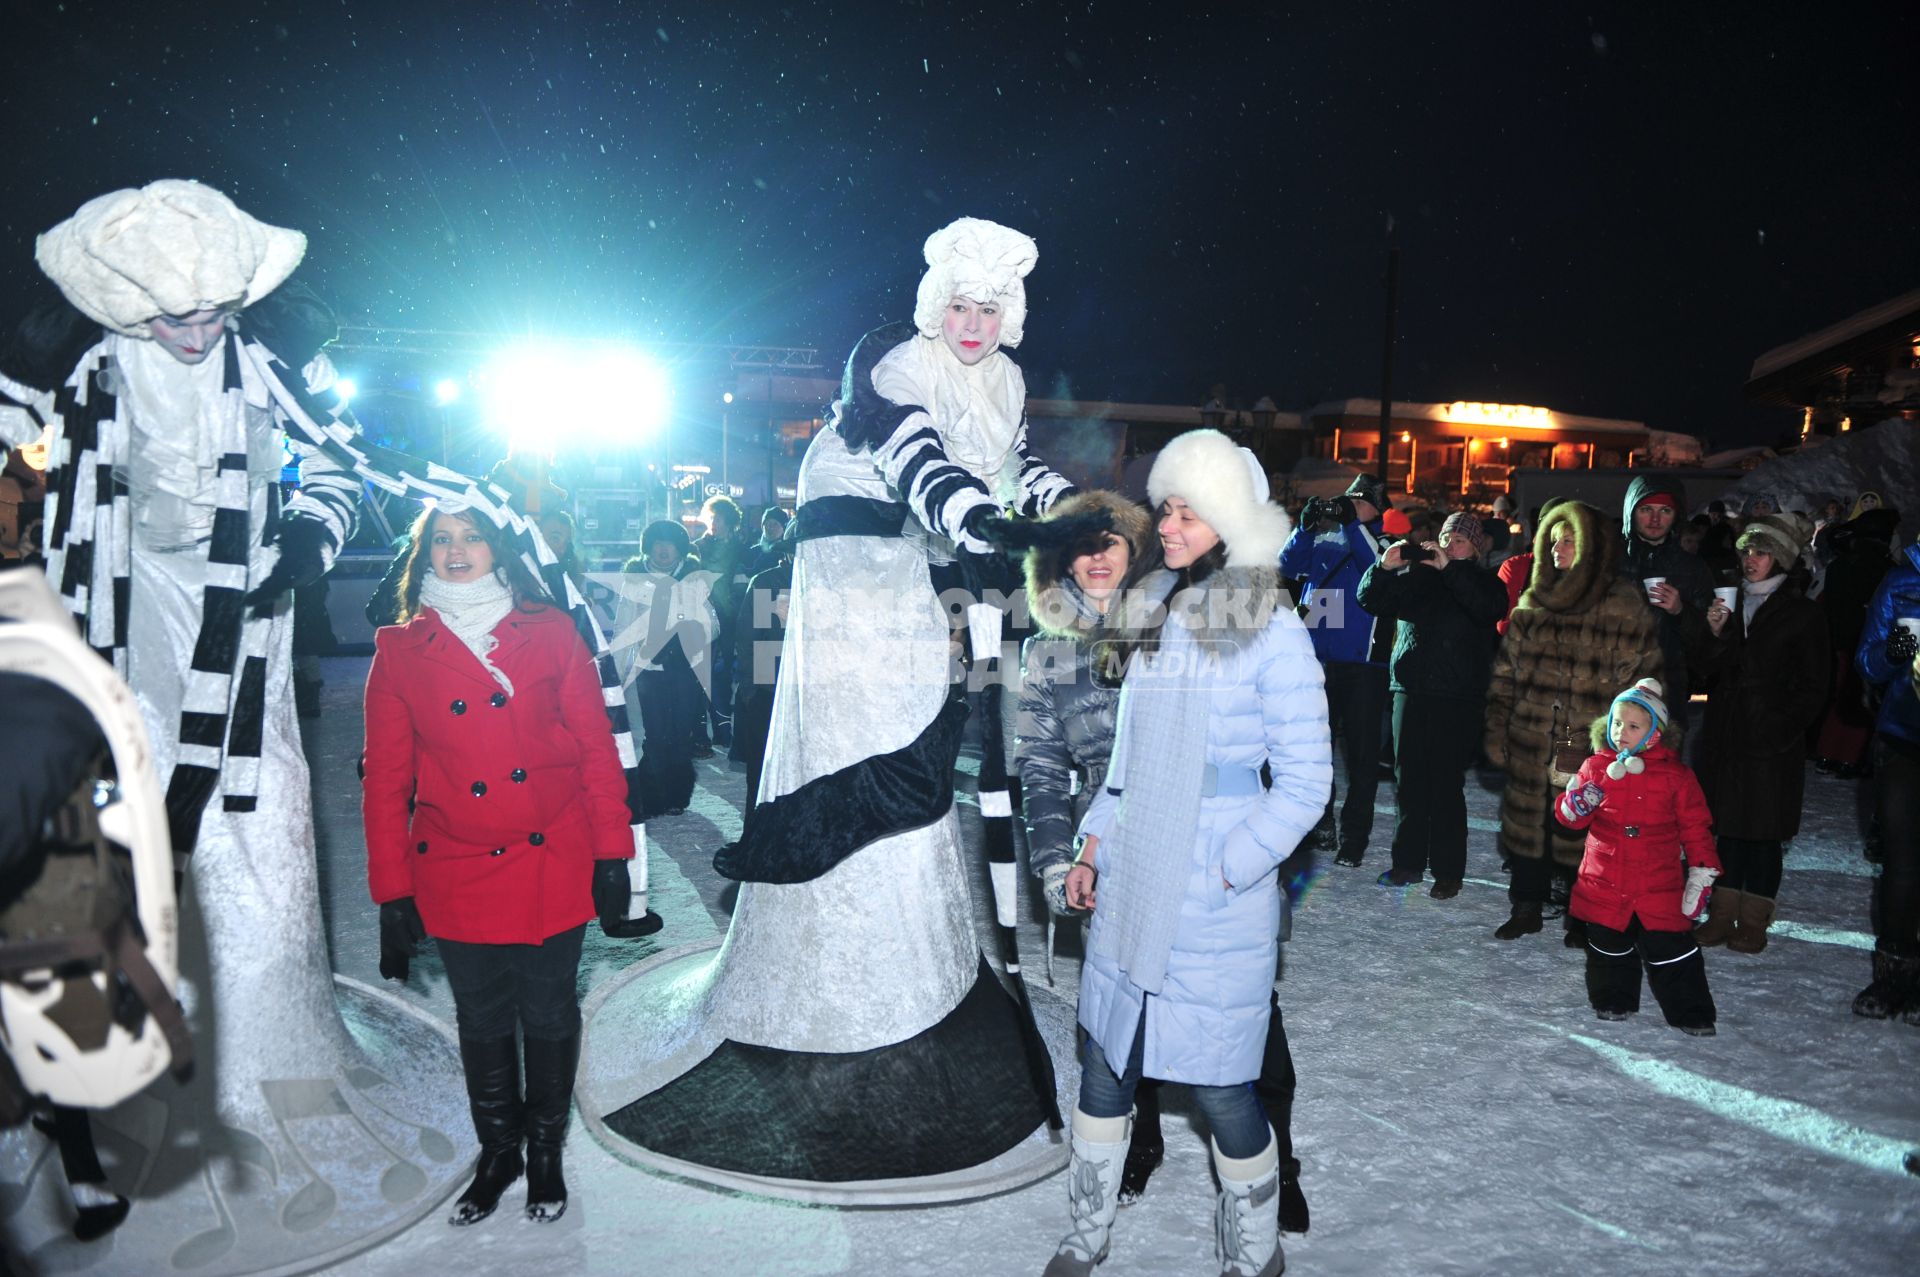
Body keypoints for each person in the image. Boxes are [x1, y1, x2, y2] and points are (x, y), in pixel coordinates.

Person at [602, 217, 1076, 1185]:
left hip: (908, 547)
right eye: (960, 304)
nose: (974, 321)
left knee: (918, 720)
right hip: (852, 548)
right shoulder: (898, 366)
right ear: (935, 306)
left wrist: (1072, 509)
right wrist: (974, 520)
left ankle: (919, 960)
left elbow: (1013, 464)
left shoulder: (1005, 381)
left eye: (990, 307)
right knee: (876, 721)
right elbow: (922, 462)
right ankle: (828, 945)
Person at [1049, 429, 1329, 1277]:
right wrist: (1095, 841)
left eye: (1186, 512)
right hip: (1137, 867)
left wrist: (1229, 865)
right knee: (1106, 1060)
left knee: (1219, 1084)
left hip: (1212, 886)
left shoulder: (1271, 626)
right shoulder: (1157, 609)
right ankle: (1085, 1232)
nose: (1166, 526)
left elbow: (1308, 781)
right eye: (1166, 508)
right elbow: (1127, 759)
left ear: (1230, 524)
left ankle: (1257, 1251)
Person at [362, 505, 636, 1226]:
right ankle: (500, 1149)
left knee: (546, 1010)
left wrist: (613, 853)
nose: (457, 550)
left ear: (499, 548)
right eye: (442, 539)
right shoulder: (399, 647)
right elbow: (386, 780)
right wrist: (392, 891)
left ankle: (545, 1148)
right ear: (424, 554)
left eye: (472, 535)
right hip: (454, 864)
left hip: (554, 854)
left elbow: (595, 751)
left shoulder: (549, 629)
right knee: (481, 1016)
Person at [1485, 501, 1662, 943]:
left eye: (1569, 540)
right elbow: (1507, 671)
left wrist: (1614, 739)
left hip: (1587, 739)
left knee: (1584, 831)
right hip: (1531, 734)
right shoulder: (1534, 596)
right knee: (1528, 825)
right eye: (1553, 539)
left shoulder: (1621, 602)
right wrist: (1498, 724)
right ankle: (1526, 904)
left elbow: (1637, 679)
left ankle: (1583, 915)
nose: (1558, 548)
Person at [1691, 514, 1829, 954]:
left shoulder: (1803, 613)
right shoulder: (1730, 605)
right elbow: (1706, 672)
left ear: (1782, 558)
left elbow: (1815, 685)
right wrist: (1712, 632)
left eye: (1761, 552)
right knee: (1727, 830)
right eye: (1747, 551)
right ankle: (1720, 913)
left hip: (1772, 742)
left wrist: (1780, 727)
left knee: (1763, 835)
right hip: (1727, 737)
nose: (1750, 560)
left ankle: (1753, 919)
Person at [1356, 511, 1508, 896]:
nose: (1449, 545)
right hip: (1410, 688)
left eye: (1459, 539)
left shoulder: (1484, 581)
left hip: (1457, 697)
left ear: (1474, 547)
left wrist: (1450, 570)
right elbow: (1370, 600)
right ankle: (1406, 864)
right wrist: (1383, 566)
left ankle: (1448, 870)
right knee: (1408, 782)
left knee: (1444, 784)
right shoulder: (1418, 578)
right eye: (1445, 537)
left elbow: (1488, 608)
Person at [1555, 679, 1719, 1034]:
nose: (1621, 732)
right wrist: (1575, 805)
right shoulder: (1596, 766)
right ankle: (1613, 998)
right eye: (1616, 722)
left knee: (1671, 948)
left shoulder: (1676, 776)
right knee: (1608, 945)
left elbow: (1695, 827)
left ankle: (1691, 1011)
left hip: (1657, 881)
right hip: (1605, 878)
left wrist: (1702, 870)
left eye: (1633, 726)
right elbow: (1569, 818)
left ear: (1655, 733)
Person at [1280, 473, 1390, 867]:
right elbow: (1289, 566)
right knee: (1312, 752)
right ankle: (1319, 823)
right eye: (1347, 500)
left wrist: (1352, 523)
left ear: (1377, 509)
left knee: (1361, 758)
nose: (1349, 505)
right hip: (1315, 661)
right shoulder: (1326, 537)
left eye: (1360, 501)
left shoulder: (1385, 543)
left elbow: (1374, 564)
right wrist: (1305, 527)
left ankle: (1354, 837)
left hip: (1361, 666)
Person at [1850, 530, 1920, 1019]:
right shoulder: (1900, 582)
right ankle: (1895, 977)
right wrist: (1894, 652)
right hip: (1904, 742)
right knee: (1902, 863)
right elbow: (1867, 664)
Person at [617, 520, 714, 817]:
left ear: (679, 549)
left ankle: (678, 794)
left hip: (685, 671)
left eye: (669, 544)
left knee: (681, 733)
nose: (663, 549)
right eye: (657, 543)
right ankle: (652, 795)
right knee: (656, 734)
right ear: (648, 547)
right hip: (650, 671)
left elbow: (714, 624)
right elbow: (622, 629)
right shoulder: (635, 579)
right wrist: (617, 679)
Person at [1813, 507, 1901, 777]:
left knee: (1842, 695)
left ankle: (1828, 754)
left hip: (1838, 639)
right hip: (1866, 643)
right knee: (1862, 700)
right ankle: (1849, 757)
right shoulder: (1887, 570)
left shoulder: (1841, 564)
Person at [1618, 478, 1714, 709]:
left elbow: (1710, 641)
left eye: (1665, 510)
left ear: (1676, 516)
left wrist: (1680, 611)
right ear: (1631, 512)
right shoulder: (1610, 562)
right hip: (1613, 690)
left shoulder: (1693, 568)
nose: (1655, 519)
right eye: (1646, 509)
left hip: (1669, 692)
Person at [693, 495, 748, 749]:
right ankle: (699, 733)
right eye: (712, 517)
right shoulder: (698, 548)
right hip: (700, 619)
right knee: (699, 675)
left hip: (727, 621)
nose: (714, 523)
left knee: (721, 676)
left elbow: (742, 588)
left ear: (730, 522)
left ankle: (723, 730)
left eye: (719, 518)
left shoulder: (740, 549)